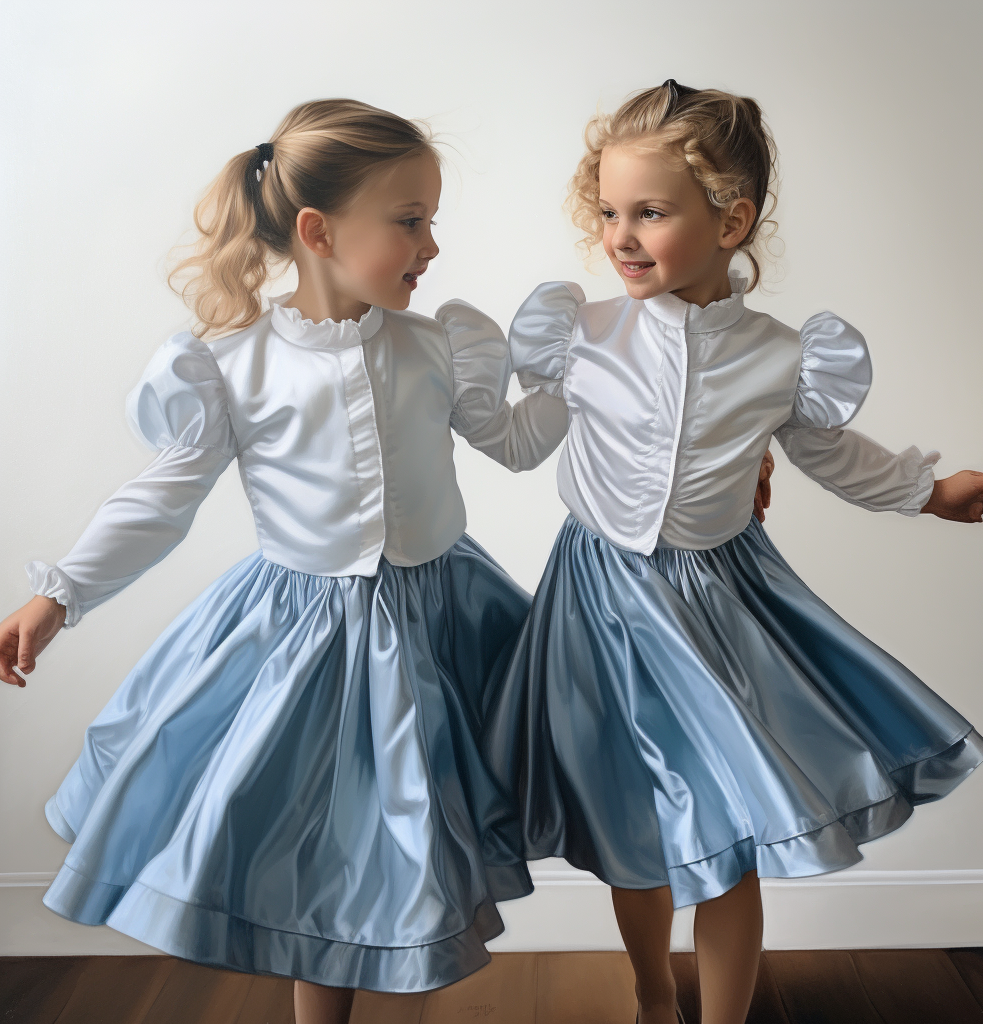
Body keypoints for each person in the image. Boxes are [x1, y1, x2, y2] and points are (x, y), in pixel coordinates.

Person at [0, 98, 573, 1023]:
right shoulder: (233, 364)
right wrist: (58, 598)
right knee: (329, 844)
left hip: (446, 620)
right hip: (310, 640)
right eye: (410, 221)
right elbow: (162, 499)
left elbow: (511, 442)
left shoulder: (438, 344)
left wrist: (579, 376)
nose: (431, 246)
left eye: (431, 221)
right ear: (318, 230)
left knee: (433, 822)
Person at [486, 80, 983, 1024]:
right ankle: (653, 994)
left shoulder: (779, 355)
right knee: (631, 818)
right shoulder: (586, 336)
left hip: (716, 608)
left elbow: (831, 453)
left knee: (730, 821)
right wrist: (434, 393)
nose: (620, 235)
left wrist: (930, 492)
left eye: (650, 212)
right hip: (597, 603)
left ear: (730, 221)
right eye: (608, 211)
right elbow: (520, 440)